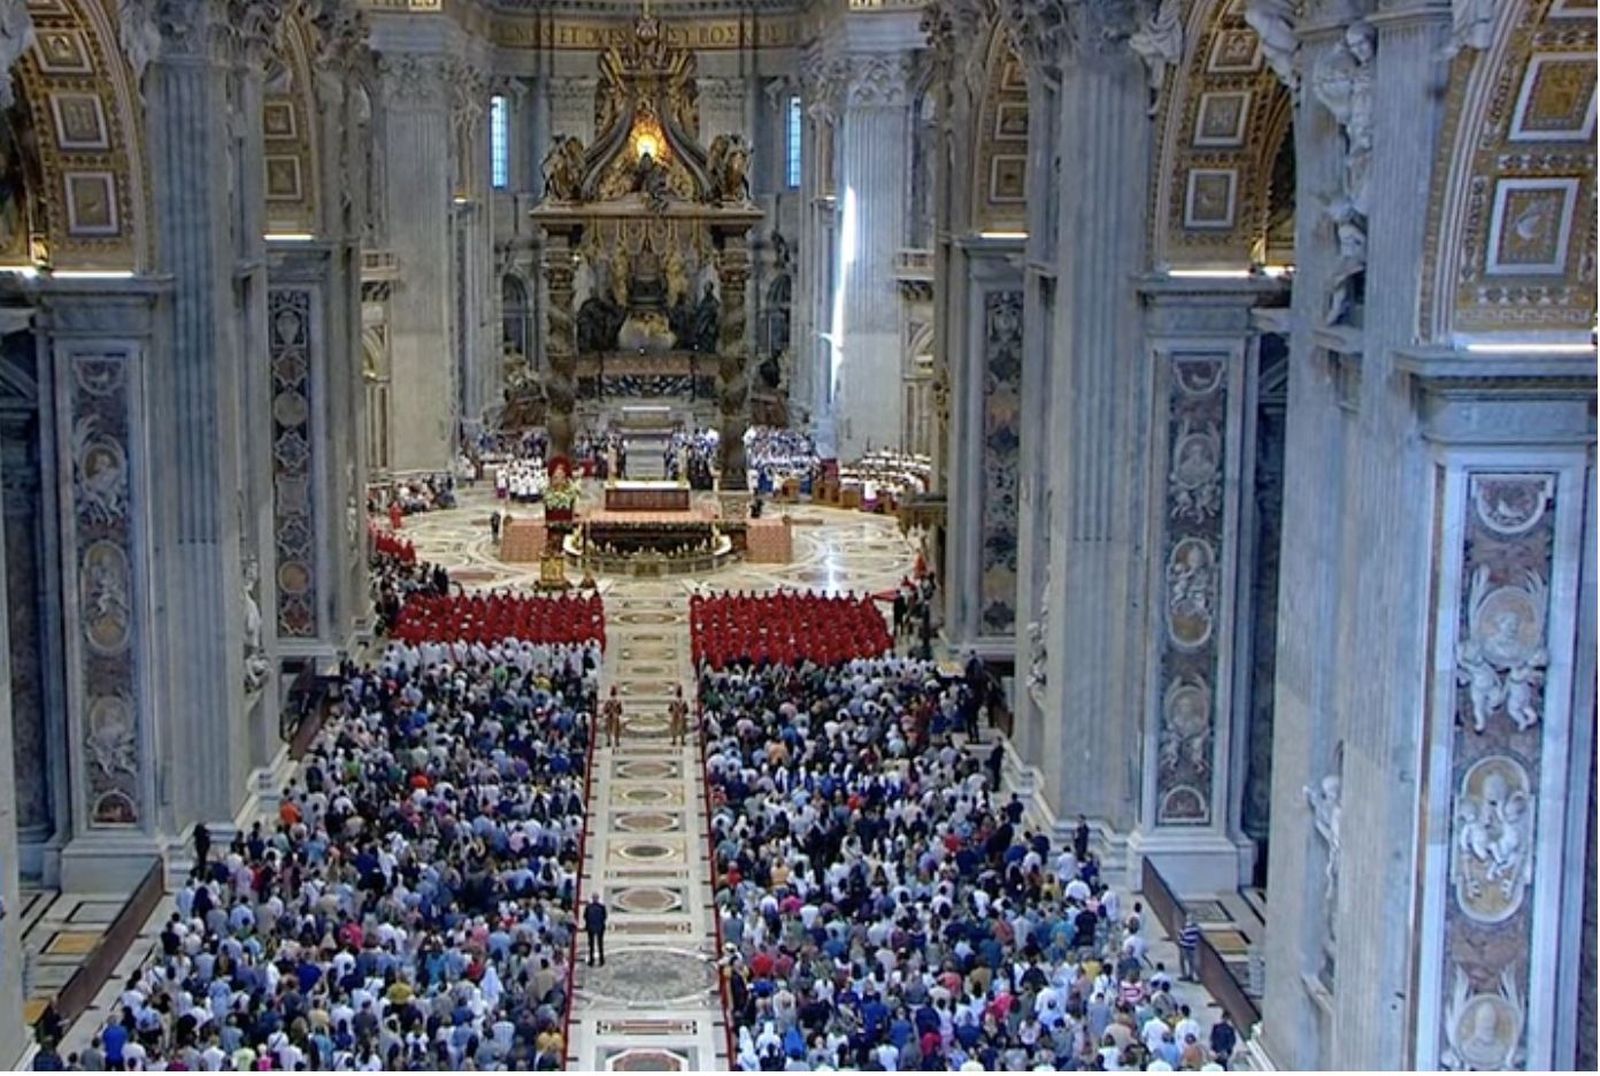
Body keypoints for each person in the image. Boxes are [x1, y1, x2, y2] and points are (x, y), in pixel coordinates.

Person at [584, 893, 608, 967]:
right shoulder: (592, 907)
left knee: (597, 944)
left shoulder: (594, 907)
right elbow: (604, 916)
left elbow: (585, 917)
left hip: (595, 927)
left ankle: (597, 960)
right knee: (595, 945)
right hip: (596, 927)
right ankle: (597, 960)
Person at [1179, 913, 1203, 982]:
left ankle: (1184, 975)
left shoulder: (1185, 927)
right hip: (1192, 946)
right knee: (1191, 961)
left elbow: (1181, 936)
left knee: (1182, 960)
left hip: (1184, 946)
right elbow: (1199, 934)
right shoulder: (1196, 927)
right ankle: (1191, 975)